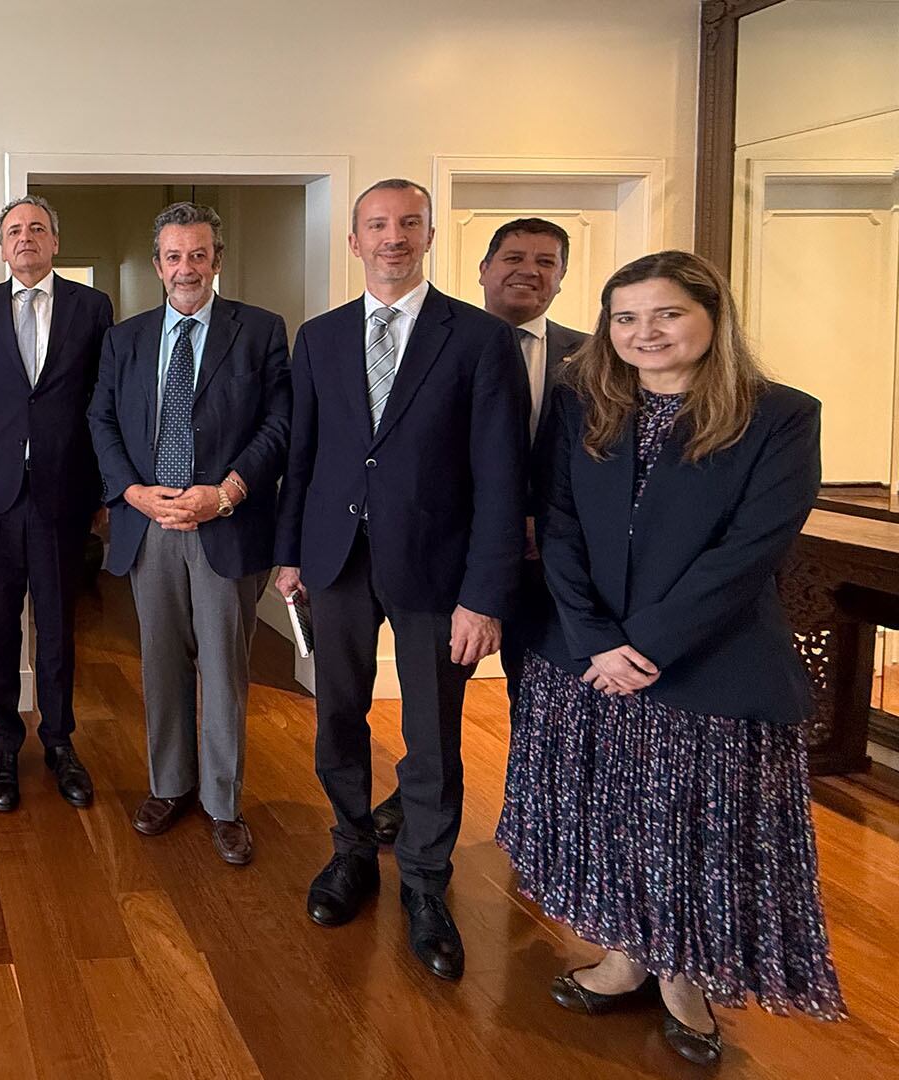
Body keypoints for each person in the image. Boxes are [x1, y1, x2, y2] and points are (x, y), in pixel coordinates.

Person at [497, 249, 843, 1065]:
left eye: (666, 314)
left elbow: (751, 551)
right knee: (607, 820)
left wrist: (645, 647)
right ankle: (623, 957)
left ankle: (685, 977)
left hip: (706, 665)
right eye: (625, 318)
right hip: (582, 658)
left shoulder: (780, 417)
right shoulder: (586, 401)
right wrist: (593, 639)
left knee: (690, 831)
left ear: (712, 318)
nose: (644, 333)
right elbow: (560, 523)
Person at [273, 178, 527, 981]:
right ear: (353, 242)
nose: (392, 237)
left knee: (433, 734)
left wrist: (484, 596)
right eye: (376, 225)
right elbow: (302, 459)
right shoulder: (318, 338)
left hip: (437, 573)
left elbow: (502, 479)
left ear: (426, 235)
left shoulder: (481, 340)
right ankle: (350, 850)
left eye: (407, 223)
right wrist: (290, 554)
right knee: (339, 718)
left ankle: (424, 882)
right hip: (336, 561)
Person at [369, 216, 586, 846]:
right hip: (457, 558)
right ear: (484, 270)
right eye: (513, 257)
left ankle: (537, 818)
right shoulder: (438, 341)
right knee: (436, 697)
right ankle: (417, 796)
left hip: (558, 561)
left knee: (546, 695)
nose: (529, 270)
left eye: (546, 261)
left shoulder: (596, 357)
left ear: (563, 277)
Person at [87, 201, 291, 866]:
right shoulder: (127, 338)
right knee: (161, 664)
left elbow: (279, 426)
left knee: (225, 669)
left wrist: (226, 492)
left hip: (223, 523)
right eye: (173, 256)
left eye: (198, 254)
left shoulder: (259, 331)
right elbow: (103, 421)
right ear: (156, 266)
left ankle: (224, 804)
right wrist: (133, 492)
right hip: (150, 526)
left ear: (217, 261)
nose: (186, 268)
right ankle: (169, 786)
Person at [0, 194, 114, 812]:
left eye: (37, 229)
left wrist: (104, 490)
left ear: (54, 243)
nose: (26, 238)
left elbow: (104, 404)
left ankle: (59, 742)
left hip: (62, 496)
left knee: (56, 628)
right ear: (2, 246)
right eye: (14, 230)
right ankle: (3, 742)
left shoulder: (91, 307)